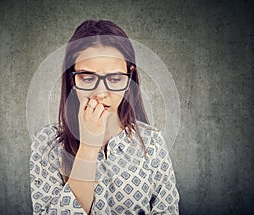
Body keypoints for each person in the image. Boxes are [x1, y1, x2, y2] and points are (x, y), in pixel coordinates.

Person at [30, 20, 179, 214]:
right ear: (72, 80)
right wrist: (88, 148)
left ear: (128, 78)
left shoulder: (151, 142)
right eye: (88, 78)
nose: (101, 92)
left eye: (115, 79)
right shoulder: (47, 143)